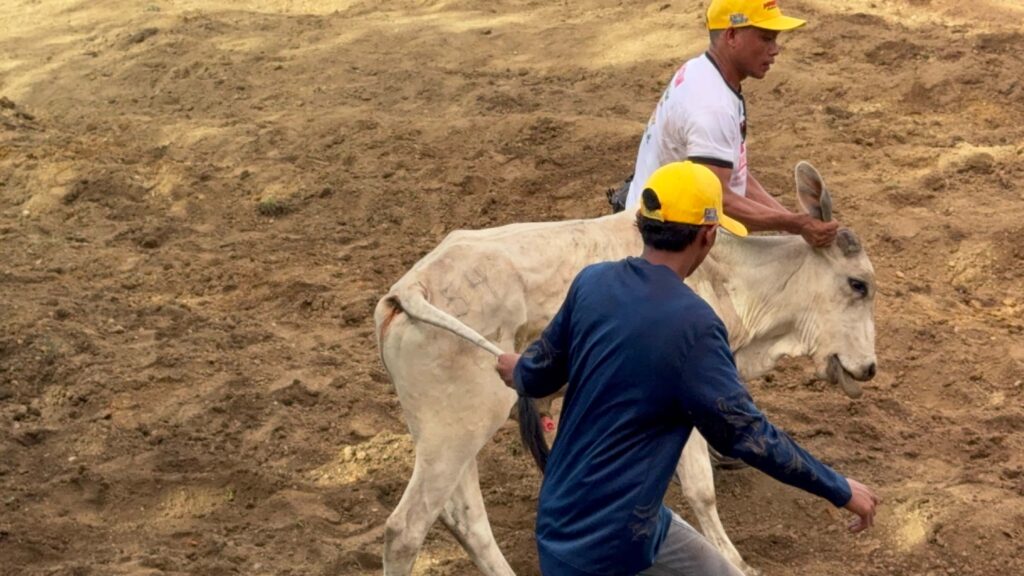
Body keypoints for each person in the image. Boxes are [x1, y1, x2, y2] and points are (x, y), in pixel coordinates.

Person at [497, 161, 880, 576]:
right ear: (709, 235)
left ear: (642, 223)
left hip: (585, 519)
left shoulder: (592, 282)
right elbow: (745, 433)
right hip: (608, 549)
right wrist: (839, 488)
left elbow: (539, 376)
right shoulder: (695, 326)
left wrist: (518, 369)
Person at [614, 0, 837, 247]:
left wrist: (795, 224)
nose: (775, 50)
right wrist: (794, 224)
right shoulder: (711, 105)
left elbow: (733, 174)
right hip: (659, 240)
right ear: (732, 35)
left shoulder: (704, 70)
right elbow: (718, 201)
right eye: (766, 38)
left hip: (663, 215)